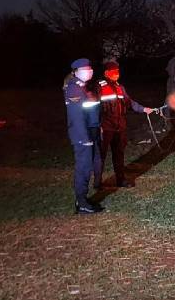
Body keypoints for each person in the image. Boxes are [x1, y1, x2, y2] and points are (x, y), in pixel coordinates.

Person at [98, 60, 153, 188]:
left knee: (119, 154)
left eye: (118, 72)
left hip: (119, 126)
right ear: (106, 73)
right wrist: (97, 125)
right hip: (105, 126)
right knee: (100, 155)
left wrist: (144, 109)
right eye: (113, 72)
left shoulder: (120, 87)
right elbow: (94, 108)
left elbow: (130, 103)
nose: (117, 74)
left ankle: (120, 180)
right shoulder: (99, 87)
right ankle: (98, 181)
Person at [63, 58, 104, 214]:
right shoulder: (74, 89)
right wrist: (85, 139)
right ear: (76, 71)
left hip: (90, 132)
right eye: (86, 69)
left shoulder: (84, 87)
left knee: (89, 165)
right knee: (84, 168)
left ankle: (83, 199)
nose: (89, 71)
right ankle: (81, 203)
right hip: (82, 136)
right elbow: (77, 117)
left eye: (90, 68)